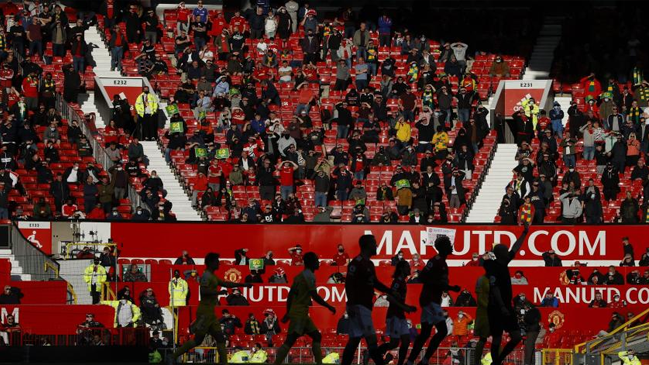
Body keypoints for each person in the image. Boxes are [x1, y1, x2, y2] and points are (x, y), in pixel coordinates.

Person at [168, 253, 252, 364]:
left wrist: (243, 285)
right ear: (211, 262)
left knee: (220, 339)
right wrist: (219, 292)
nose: (218, 263)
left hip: (210, 314)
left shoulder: (212, 275)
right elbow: (203, 291)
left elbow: (226, 283)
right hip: (204, 313)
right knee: (197, 340)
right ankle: (173, 356)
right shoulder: (206, 275)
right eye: (217, 261)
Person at [342, 235, 412, 365]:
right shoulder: (357, 263)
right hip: (359, 306)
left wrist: (390, 291)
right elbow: (349, 284)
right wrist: (351, 304)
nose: (376, 246)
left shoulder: (369, 264)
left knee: (354, 340)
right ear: (367, 245)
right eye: (374, 243)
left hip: (365, 306)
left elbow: (375, 283)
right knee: (372, 340)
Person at [272, 252, 337, 365]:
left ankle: (319, 363)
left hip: (300, 312)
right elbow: (314, 295)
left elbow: (290, 295)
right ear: (311, 263)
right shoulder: (309, 276)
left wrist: (288, 313)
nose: (318, 263)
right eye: (316, 261)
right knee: (290, 340)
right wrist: (329, 306)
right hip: (300, 313)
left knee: (316, 336)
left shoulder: (299, 276)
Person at [405, 235, 460, 365]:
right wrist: (450, 287)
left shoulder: (439, 261)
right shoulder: (437, 261)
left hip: (430, 300)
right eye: (448, 244)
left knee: (425, 333)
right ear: (443, 247)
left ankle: (411, 361)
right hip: (430, 301)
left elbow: (428, 278)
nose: (451, 246)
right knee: (443, 331)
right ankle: (424, 360)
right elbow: (423, 277)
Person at [485, 224, 530, 365]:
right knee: (497, 339)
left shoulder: (504, 262)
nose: (508, 252)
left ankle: (498, 360)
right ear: (499, 253)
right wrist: (502, 306)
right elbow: (495, 288)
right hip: (496, 307)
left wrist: (524, 233)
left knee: (516, 337)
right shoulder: (492, 266)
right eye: (505, 250)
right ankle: (496, 362)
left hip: (506, 306)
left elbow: (515, 248)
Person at [377, 261, 417, 365]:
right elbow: (390, 297)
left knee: (406, 341)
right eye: (408, 267)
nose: (409, 268)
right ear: (402, 268)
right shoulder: (397, 282)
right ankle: (375, 353)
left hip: (400, 315)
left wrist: (406, 307)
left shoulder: (403, 281)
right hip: (394, 315)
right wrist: (405, 307)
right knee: (394, 343)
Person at [473, 270, 490, 365]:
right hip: (484, 313)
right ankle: (476, 362)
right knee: (482, 338)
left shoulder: (494, 279)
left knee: (497, 337)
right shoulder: (481, 279)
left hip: (493, 312)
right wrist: (490, 307)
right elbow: (479, 299)